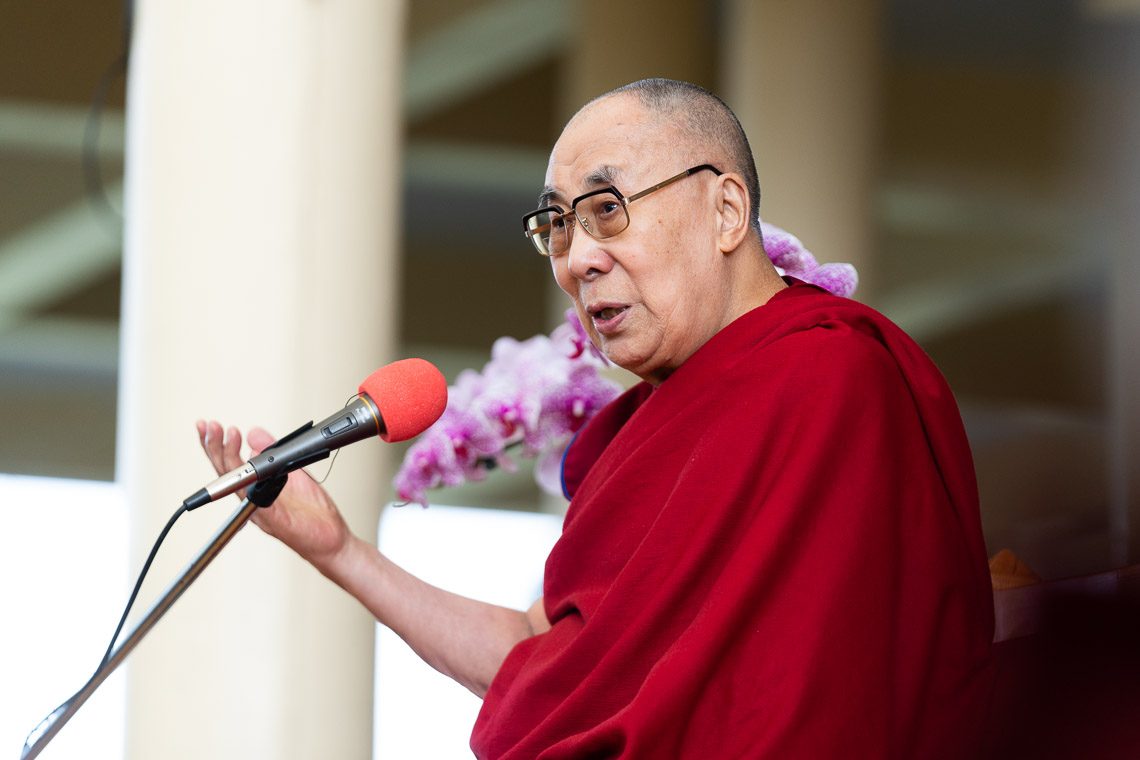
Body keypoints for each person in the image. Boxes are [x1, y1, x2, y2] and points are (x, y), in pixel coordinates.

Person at [199, 78, 994, 758]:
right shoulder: (643, 432)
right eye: (557, 225)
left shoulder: (832, 380)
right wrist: (339, 551)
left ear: (725, 211)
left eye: (607, 210)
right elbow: (543, 661)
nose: (578, 257)